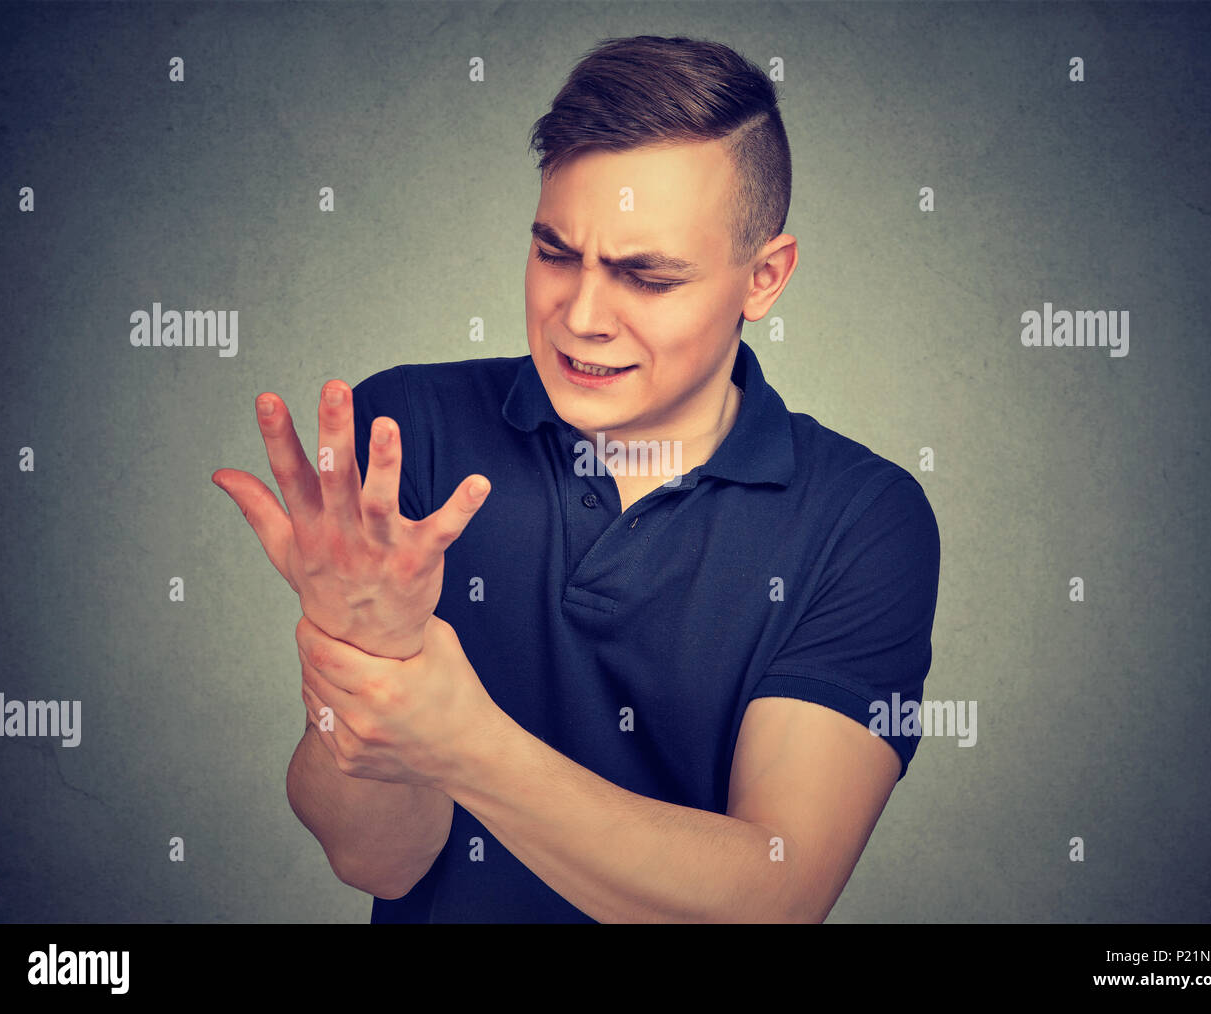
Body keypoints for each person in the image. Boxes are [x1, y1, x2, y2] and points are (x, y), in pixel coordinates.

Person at [212, 35, 940, 923]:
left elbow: (773, 897)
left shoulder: (864, 520)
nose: (582, 317)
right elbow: (379, 862)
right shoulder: (408, 433)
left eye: (647, 275)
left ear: (765, 278)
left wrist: (456, 733)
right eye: (557, 254)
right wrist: (367, 654)